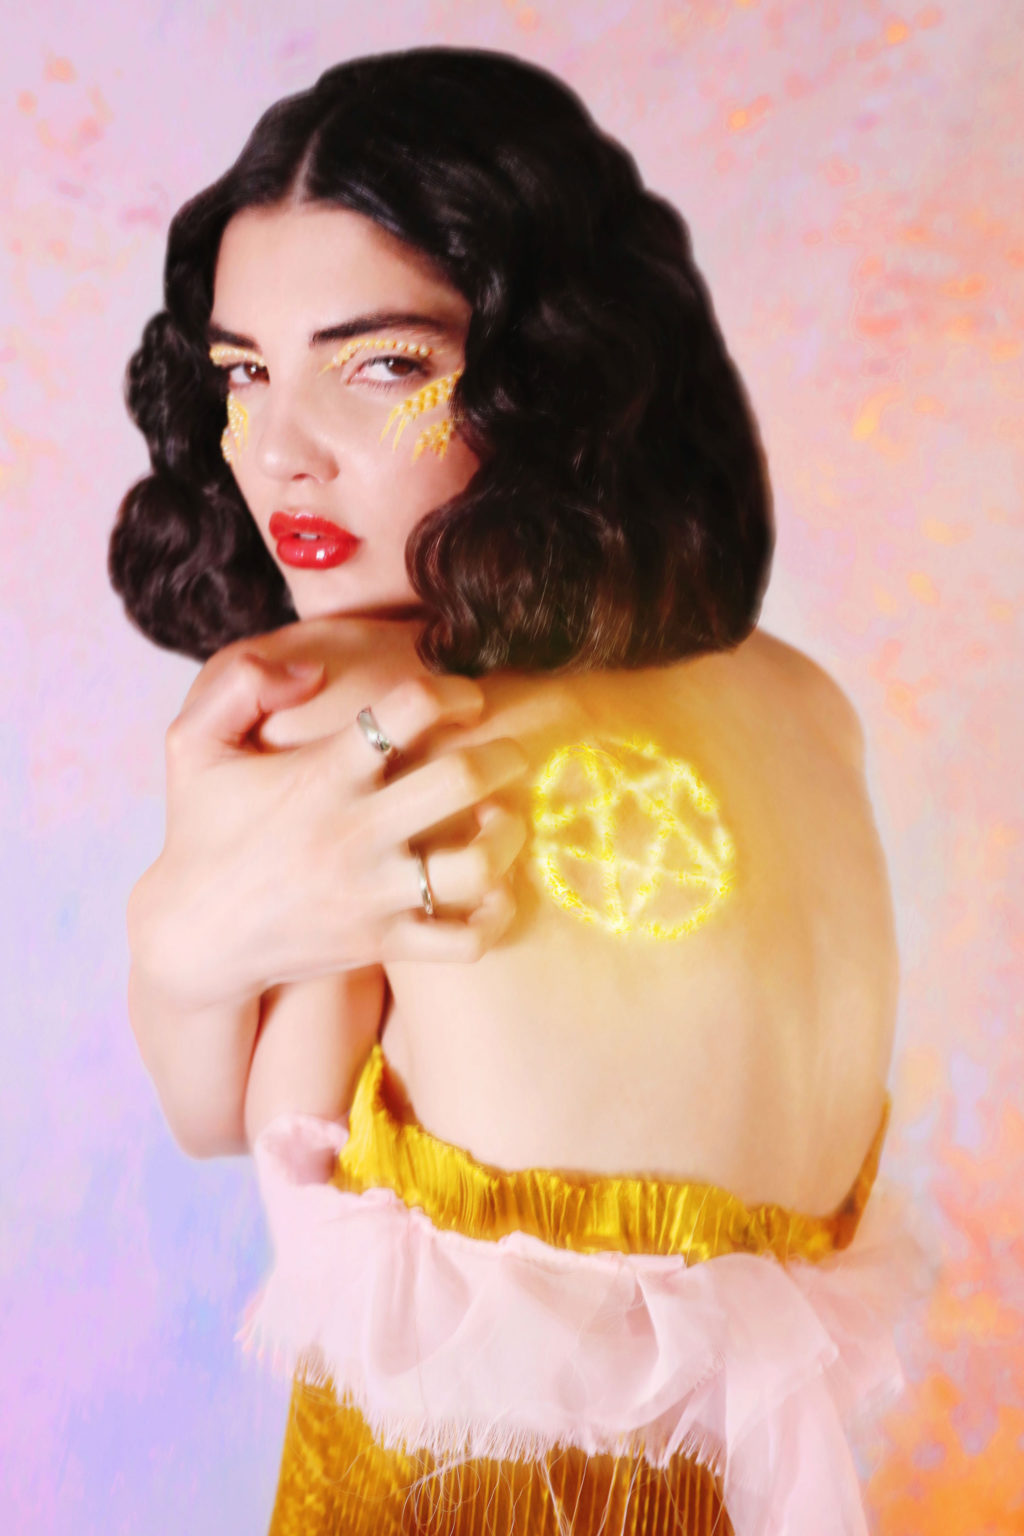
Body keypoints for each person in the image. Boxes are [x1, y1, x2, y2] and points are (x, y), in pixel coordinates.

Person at [109, 45, 931, 1536]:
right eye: (243, 372)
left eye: (382, 365)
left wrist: (171, 942)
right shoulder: (809, 708)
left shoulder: (350, 698)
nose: (278, 452)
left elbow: (227, 1120)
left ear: (552, 372)